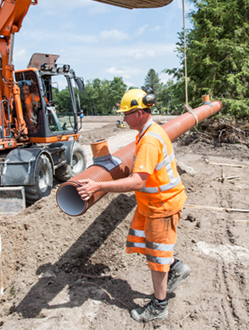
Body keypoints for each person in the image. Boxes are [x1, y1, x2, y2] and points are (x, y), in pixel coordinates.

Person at [77, 88, 191, 323]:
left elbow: (139, 181)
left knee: (157, 258)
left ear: (139, 113)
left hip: (162, 206)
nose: (123, 119)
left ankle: (159, 306)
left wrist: (99, 186)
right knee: (150, 247)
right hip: (155, 203)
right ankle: (176, 267)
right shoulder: (147, 131)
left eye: (126, 114)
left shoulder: (149, 140)